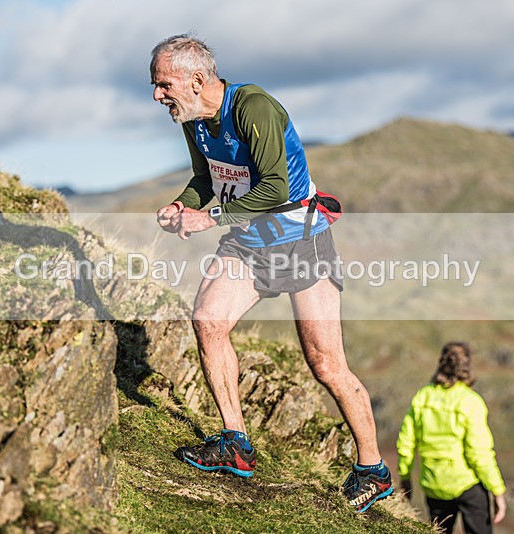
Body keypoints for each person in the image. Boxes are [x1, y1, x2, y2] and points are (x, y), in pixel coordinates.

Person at [149, 34, 392, 512]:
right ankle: (235, 443)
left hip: (300, 241)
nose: (158, 95)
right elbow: (206, 180)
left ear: (196, 80)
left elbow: (275, 187)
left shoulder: (253, 107)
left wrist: (210, 218)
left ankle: (373, 470)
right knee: (208, 320)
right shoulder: (193, 119)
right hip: (248, 243)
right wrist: (184, 204)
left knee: (326, 365)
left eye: (163, 84)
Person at [397, 342, 507, 534]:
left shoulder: (423, 397)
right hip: (467, 484)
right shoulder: (470, 401)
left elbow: (406, 443)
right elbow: (478, 453)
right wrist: (497, 491)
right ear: (467, 366)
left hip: (433, 484)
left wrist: (405, 477)